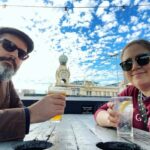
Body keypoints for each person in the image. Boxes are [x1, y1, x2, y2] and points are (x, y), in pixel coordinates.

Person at [0, 27, 66, 141]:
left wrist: (33, 113)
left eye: (22, 54)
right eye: (9, 45)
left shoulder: (7, 80)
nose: (15, 55)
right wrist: (31, 114)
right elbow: (25, 114)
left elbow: (18, 108)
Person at [94, 39, 150, 132]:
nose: (134, 67)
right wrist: (111, 119)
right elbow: (99, 112)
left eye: (143, 59)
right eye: (127, 64)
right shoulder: (131, 92)